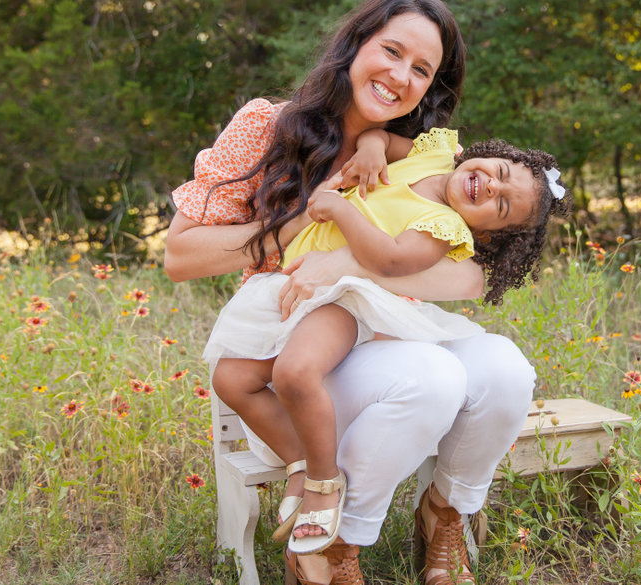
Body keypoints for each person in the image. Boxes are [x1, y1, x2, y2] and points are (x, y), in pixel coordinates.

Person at [164, 0, 544, 585]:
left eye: (421, 69)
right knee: (436, 376)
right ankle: (335, 539)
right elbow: (180, 257)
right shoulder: (269, 124)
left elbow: (473, 277)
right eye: (391, 51)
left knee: (505, 367)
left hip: (378, 326)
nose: (400, 76)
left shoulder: (434, 164)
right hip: (293, 349)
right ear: (353, 45)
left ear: (432, 86)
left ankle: (444, 513)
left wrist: (346, 262)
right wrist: (304, 223)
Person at [203, 126, 567, 560]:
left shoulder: (444, 226)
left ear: (488, 235)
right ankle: (299, 460)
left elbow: (389, 260)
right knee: (230, 378)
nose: (491, 184)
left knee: (296, 371)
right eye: (500, 171)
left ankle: (325, 486)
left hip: (342, 300)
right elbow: (380, 137)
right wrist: (374, 149)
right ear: (488, 154)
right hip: (292, 285)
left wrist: (340, 208)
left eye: (501, 204)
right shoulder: (435, 154)